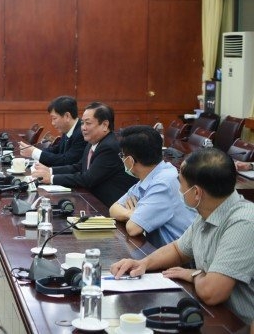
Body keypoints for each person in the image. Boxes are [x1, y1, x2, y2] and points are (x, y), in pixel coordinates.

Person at [111, 148, 254, 324]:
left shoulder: (243, 223)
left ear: (196, 193)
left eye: (181, 183)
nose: (178, 188)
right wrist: (142, 264)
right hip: (210, 315)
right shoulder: (209, 210)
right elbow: (178, 250)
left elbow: (212, 293)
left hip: (236, 325)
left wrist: (193, 274)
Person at [31, 102, 136, 207]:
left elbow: (87, 179)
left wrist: (51, 178)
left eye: (88, 123)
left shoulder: (110, 146)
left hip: (108, 207)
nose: (83, 128)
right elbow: (80, 166)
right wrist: (49, 170)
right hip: (91, 201)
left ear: (105, 125)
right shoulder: (93, 142)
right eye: (82, 123)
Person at [109, 125, 197, 247]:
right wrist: (132, 214)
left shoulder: (164, 182)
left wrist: (133, 216)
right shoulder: (151, 175)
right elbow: (113, 209)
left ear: (130, 160)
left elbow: (133, 228)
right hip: (159, 252)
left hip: (181, 260)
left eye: (122, 155)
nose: (122, 159)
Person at [18, 95, 86, 166]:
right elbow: (56, 150)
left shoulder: (82, 133)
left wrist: (34, 152)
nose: (52, 123)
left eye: (54, 118)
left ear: (67, 116)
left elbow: (66, 161)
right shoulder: (68, 129)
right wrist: (33, 150)